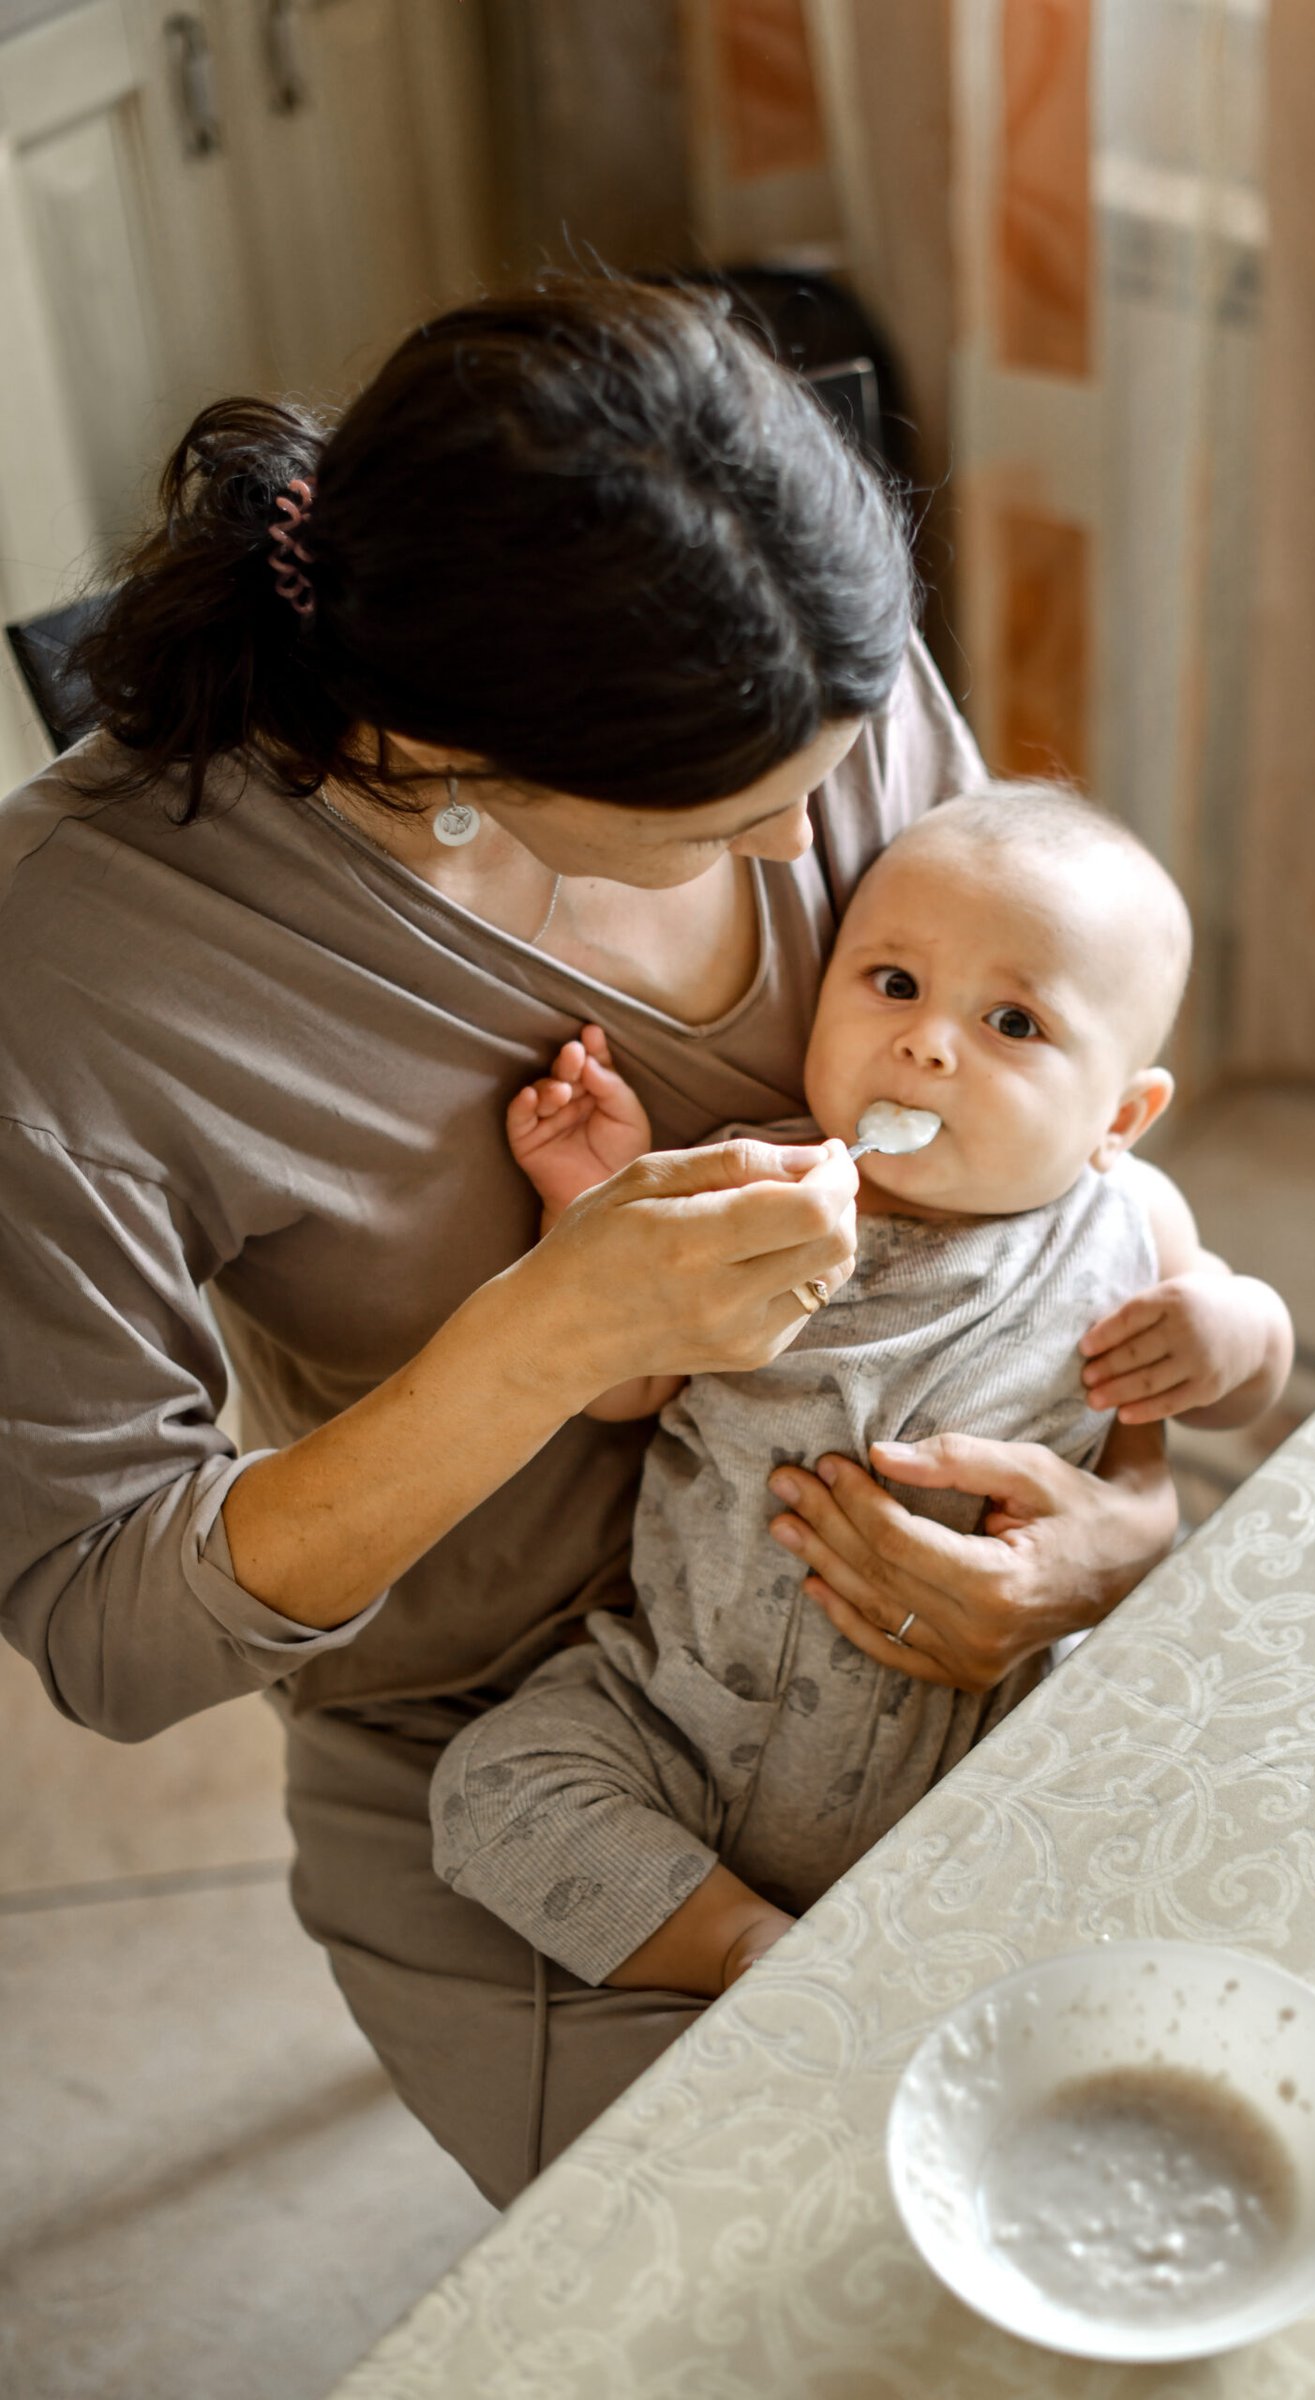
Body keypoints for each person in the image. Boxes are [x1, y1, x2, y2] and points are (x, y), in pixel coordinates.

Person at [0, 278, 1179, 2208]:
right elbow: (101, 1630)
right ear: (474, 764)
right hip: (511, 1716)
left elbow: (1061, 1156)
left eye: (838, 771)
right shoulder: (72, 971)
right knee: (825, 2252)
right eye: (749, 820)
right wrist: (544, 1337)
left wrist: (1124, 1528)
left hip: (935, 1591)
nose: (825, 844)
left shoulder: (796, 660)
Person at [430, 787, 1295, 1996]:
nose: (928, 1043)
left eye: (1010, 1021)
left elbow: (1244, 1386)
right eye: (892, 985)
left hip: (989, 1733)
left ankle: (981, 1954)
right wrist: (592, 1205)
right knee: (490, 1791)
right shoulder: (749, 1191)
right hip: (686, 1720)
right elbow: (622, 1390)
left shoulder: (1130, 1226)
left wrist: (1234, 1331)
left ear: (1119, 1116)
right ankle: (740, 1947)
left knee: (1182, 1796)